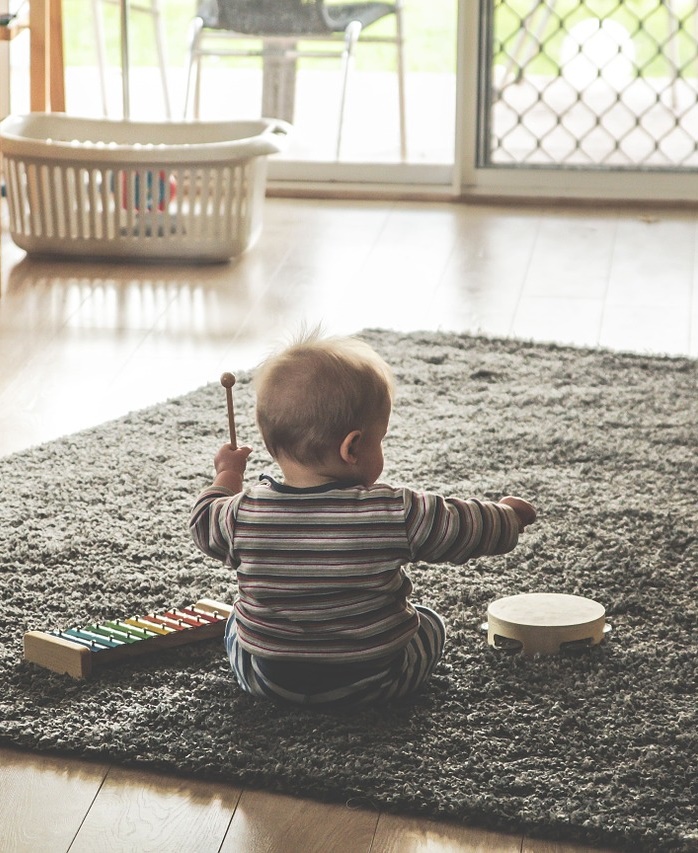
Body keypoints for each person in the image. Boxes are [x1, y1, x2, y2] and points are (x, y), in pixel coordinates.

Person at [189, 331, 536, 709]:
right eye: (380, 439)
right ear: (352, 447)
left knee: (234, 625)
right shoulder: (394, 511)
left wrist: (227, 474)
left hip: (270, 681)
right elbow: (463, 525)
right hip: (376, 681)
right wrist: (509, 517)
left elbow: (203, 521)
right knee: (431, 622)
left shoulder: (241, 514)